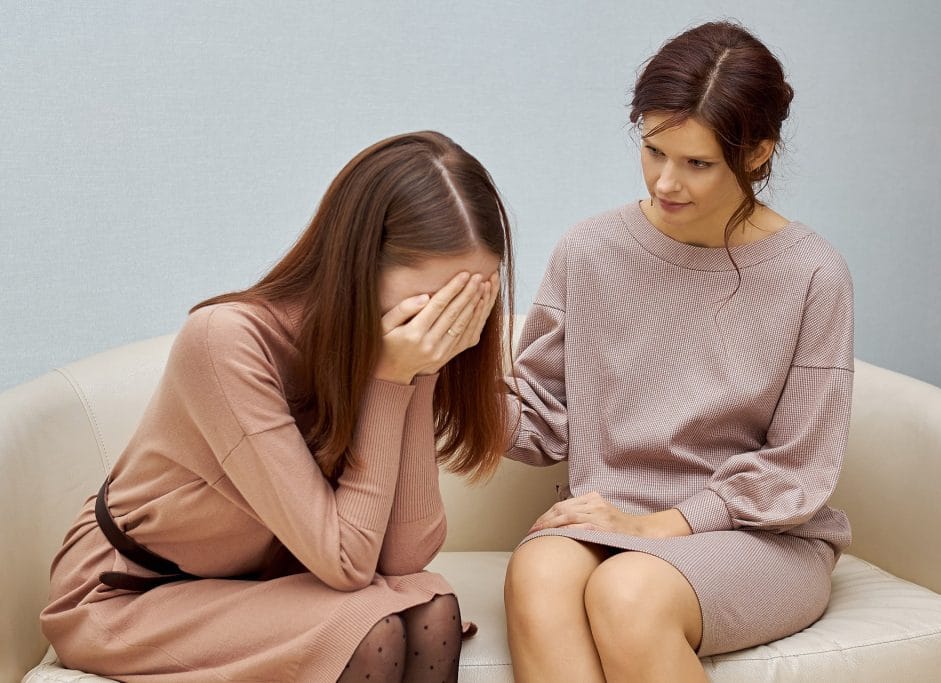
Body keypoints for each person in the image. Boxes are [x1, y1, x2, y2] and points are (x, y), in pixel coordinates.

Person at [41, 130, 510, 683]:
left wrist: (419, 373)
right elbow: (347, 563)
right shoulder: (226, 341)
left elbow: (403, 557)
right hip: (130, 594)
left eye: (473, 298)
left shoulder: (391, 350)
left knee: (431, 608)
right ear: (360, 265)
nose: (450, 320)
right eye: (438, 300)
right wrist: (391, 379)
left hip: (263, 584)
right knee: (370, 630)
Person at [502, 21, 854, 683]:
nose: (666, 182)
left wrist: (664, 525)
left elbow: (799, 464)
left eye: (697, 163)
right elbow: (542, 421)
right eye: (653, 150)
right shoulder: (589, 251)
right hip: (610, 516)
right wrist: (440, 375)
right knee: (539, 571)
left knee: (629, 592)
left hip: (758, 535)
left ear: (758, 153)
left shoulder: (813, 274)